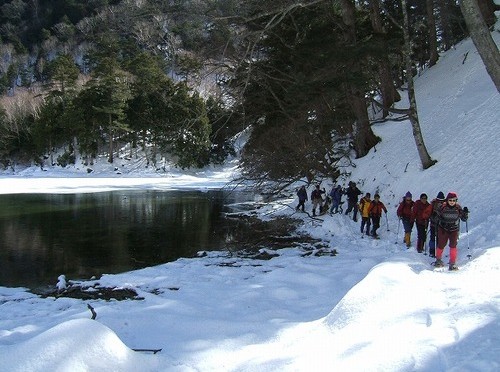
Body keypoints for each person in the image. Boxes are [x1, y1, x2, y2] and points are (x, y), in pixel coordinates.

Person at [434, 192, 468, 270]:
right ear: (447, 200)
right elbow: (436, 217)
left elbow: (463, 219)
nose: (452, 202)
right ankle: (438, 260)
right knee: (441, 245)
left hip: (454, 229)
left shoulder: (458, 208)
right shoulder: (443, 207)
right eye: (450, 200)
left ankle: (452, 263)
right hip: (443, 229)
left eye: (454, 200)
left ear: (456, 200)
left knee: (453, 246)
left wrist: (465, 214)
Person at [428, 191, 445, 257]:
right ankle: (435, 253)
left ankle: (433, 252)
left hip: (436, 224)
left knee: (435, 238)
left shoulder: (434, 203)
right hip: (436, 224)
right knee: (436, 239)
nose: (440, 201)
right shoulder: (434, 204)